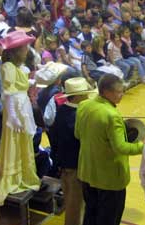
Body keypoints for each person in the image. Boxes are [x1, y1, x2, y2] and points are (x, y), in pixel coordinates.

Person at [75, 74, 144, 225]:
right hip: (109, 179)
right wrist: (144, 147)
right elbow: (121, 147)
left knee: (90, 214)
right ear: (106, 92)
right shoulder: (111, 115)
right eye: (119, 92)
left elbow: (78, 134)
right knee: (109, 219)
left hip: (87, 172)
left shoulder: (84, 105)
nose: (122, 94)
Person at [0, 30, 41, 204]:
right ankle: (15, 176)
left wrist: (28, 83)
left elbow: (17, 86)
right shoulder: (8, 67)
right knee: (15, 139)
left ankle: (24, 174)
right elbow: (9, 93)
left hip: (22, 106)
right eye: (24, 48)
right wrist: (13, 117)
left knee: (23, 140)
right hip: (16, 110)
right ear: (15, 51)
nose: (27, 50)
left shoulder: (16, 67)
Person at [50, 77, 97, 225]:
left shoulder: (62, 110)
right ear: (77, 96)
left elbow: (55, 139)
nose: (88, 96)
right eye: (85, 94)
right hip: (76, 166)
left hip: (65, 164)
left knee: (72, 200)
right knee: (74, 206)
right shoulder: (77, 115)